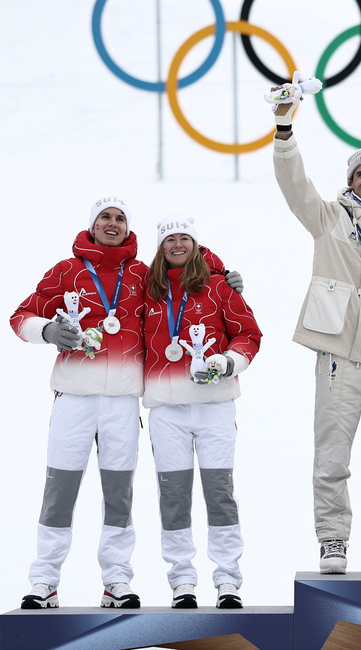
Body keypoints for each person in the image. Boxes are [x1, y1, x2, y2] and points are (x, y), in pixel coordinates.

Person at [270, 82, 361, 574]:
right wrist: (285, 131)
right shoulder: (328, 219)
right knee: (332, 456)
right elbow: (295, 185)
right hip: (337, 355)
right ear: (351, 180)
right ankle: (333, 541)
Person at [10, 198, 146, 609]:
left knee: (119, 495)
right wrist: (48, 330)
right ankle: (44, 580)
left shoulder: (143, 273)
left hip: (122, 402)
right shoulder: (67, 271)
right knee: (60, 491)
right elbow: (22, 315)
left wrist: (222, 277)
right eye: (105, 216)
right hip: (74, 399)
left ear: (127, 228)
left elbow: (187, 281)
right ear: (92, 225)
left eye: (120, 218)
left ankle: (117, 580)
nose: (113, 223)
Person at [142, 216, 262, 609]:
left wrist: (227, 362)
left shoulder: (219, 286)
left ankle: (228, 580)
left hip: (213, 406)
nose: (177, 245)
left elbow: (249, 334)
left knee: (219, 493)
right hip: (166, 409)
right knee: (173, 496)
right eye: (169, 239)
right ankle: (182, 582)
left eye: (185, 239)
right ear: (161, 248)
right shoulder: (148, 289)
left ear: (195, 244)